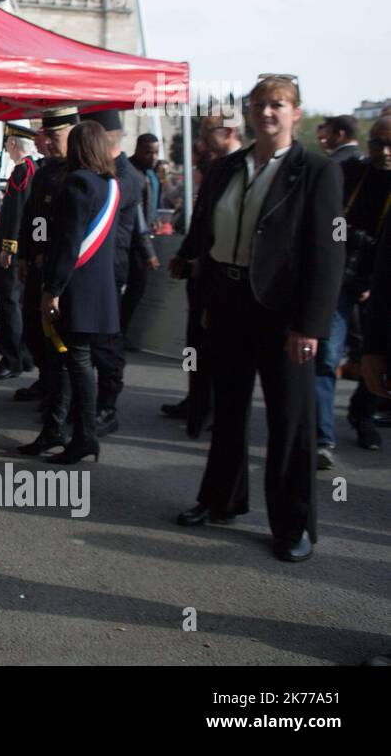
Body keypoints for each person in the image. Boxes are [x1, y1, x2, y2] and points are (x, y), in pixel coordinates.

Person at [172, 75, 342, 563]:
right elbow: (205, 228)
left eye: (277, 105)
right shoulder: (227, 167)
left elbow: (327, 254)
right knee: (227, 411)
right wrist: (197, 281)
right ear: (247, 112)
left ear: (296, 113)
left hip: (283, 314)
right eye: (259, 104)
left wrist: (310, 325)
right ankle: (220, 500)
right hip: (227, 300)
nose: (267, 112)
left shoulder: (316, 170)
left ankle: (293, 525)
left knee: (290, 422)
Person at [21, 120, 121, 464]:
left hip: (74, 290)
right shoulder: (109, 184)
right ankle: (67, 432)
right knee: (74, 363)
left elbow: (67, 244)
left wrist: (52, 290)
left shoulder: (76, 183)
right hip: (99, 293)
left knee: (70, 364)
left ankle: (82, 436)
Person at [162, 104, 243, 432]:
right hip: (199, 273)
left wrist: (204, 260)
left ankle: (213, 408)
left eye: (207, 131)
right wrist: (184, 255)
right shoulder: (217, 167)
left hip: (223, 276)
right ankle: (196, 401)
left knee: (219, 347)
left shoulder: (242, 168)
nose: (200, 140)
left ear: (229, 132)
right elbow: (201, 220)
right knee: (195, 343)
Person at [315, 114, 391, 460]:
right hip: (344, 278)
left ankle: (364, 416)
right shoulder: (352, 173)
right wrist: (353, 242)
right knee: (328, 356)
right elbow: (331, 223)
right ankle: (322, 437)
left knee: (376, 359)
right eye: (378, 143)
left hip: (382, 284)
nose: (385, 152)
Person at [92, 110, 157, 437]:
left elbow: (137, 227)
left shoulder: (125, 176)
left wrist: (147, 254)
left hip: (111, 270)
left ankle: (107, 407)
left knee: (108, 342)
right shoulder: (107, 171)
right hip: (98, 268)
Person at [14, 109, 76, 404]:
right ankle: (47, 383)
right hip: (39, 266)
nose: (48, 143)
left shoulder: (78, 174)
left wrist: (46, 254)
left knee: (59, 342)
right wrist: (28, 253)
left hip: (63, 273)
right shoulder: (46, 172)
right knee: (34, 332)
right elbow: (34, 218)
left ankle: (60, 401)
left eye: (55, 136)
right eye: (46, 136)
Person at [0, 122, 38, 380]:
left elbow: (17, 213)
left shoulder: (22, 171)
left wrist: (7, 247)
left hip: (13, 248)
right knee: (16, 304)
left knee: (8, 304)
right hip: (19, 246)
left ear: (13, 144)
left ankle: (12, 358)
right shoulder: (30, 169)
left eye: (8, 143)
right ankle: (24, 355)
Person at [120, 132, 162, 335]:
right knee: (133, 289)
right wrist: (149, 253)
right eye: (148, 153)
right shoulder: (132, 174)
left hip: (138, 242)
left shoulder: (149, 173)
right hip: (130, 244)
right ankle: (118, 332)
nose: (153, 157)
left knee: (135, 290)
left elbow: (146, 211)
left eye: (156, 152)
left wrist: (153, 219)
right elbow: (136, 219)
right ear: (137, 150)